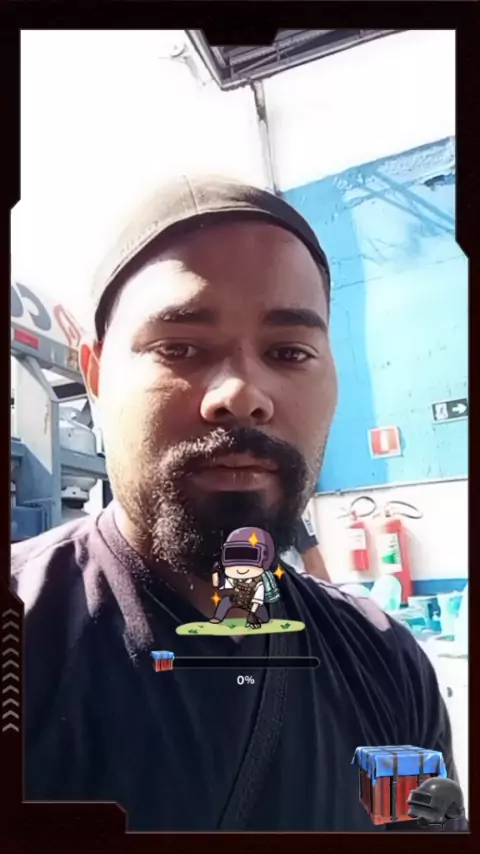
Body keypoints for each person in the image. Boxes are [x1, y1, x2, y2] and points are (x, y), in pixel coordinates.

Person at [11, 175, 466, 832]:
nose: (242, 394)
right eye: (180, 347)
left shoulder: (387, 664)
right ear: (96, 374)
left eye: (289, 351)